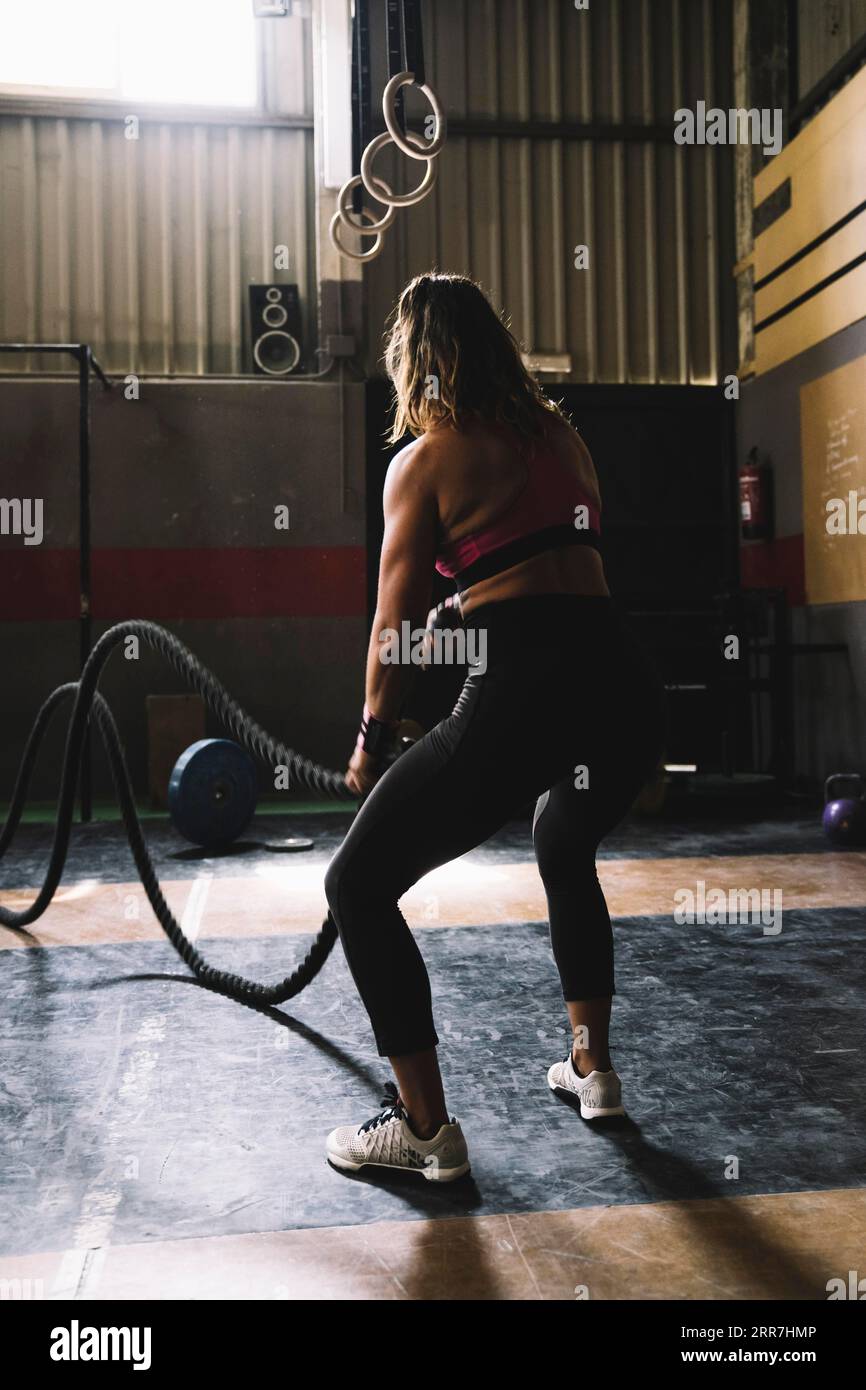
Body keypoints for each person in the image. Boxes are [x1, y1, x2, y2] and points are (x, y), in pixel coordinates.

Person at [324, 273, 665, 1182]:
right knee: (563, 840)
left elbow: (392, 627)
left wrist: (371, 732)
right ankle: (592, 1068)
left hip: (527, 688)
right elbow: (552, 573)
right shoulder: (564, 440)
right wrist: (471, 617)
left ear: (417, 359)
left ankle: (424, 1130)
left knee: (356, 886)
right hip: (623, 687)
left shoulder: (424, 459)